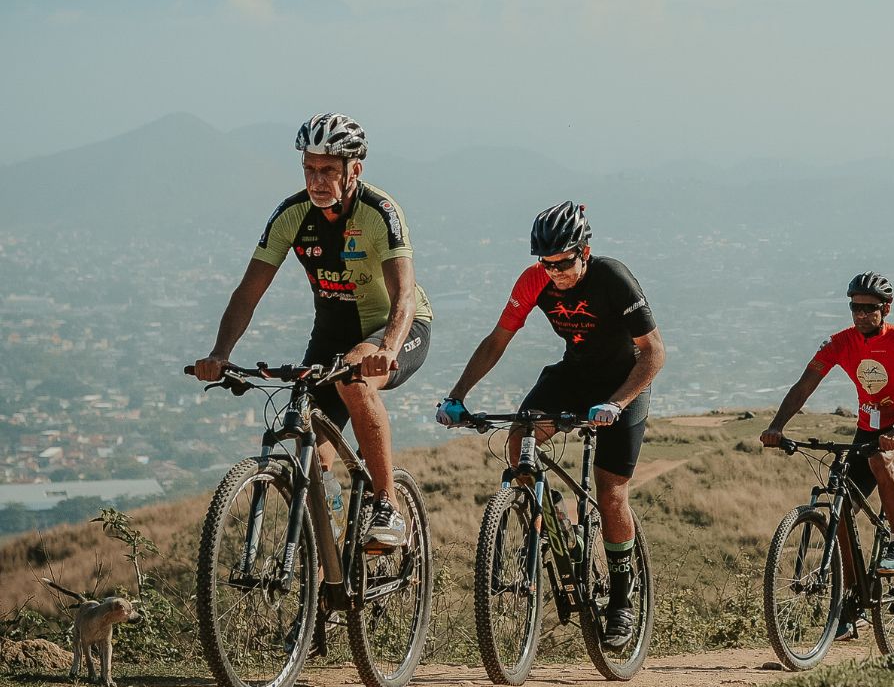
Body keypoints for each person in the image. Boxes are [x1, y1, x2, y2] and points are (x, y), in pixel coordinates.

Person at [195, 113, 433, 549]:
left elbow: (403, 295)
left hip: (397, 325)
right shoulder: (292, 214)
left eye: (328, 169)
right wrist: (220, 352)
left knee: (356, 380)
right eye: (309, 168)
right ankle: (329, 561)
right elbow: (248, 292)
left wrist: (389, 347)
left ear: (353, 169)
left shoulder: (381, 211)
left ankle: (388, 506)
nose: (316, 179)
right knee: (312, 445)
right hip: (332, 330)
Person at [436, 201, 664, 651]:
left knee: (611, 491)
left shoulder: (613, 279)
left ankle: (622, 600)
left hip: (624, 382)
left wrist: (617, 404)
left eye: (563, 262)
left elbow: (654, 352)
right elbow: (497, 339)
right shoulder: (534, 280)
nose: (555, 271)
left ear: (585, 249)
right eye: (547, 263)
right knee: (520, 435)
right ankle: (553, 516)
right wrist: (457, 396)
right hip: (574, 375)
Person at [759, 272, 894, 639]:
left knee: (880, 461)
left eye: (869, 308)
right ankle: (854, 602)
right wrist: (777, 426)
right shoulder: (840, 343)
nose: (860, 315)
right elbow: (805, 384)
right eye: (855, 307)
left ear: (886, 309)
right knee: (839, 512)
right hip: (867, 430)